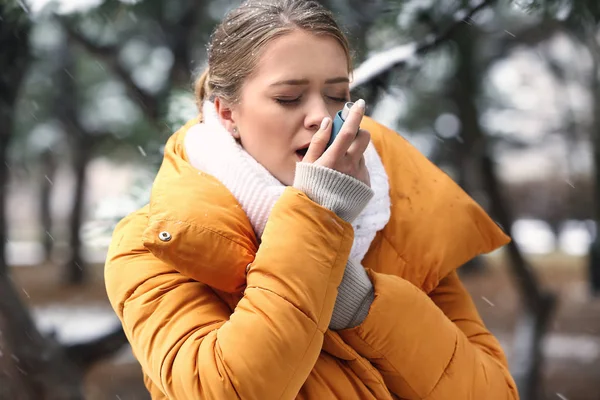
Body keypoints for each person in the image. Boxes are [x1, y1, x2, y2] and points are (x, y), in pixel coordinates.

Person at [104, 0, 519, 399]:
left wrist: (363, 302)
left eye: (337, 95)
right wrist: (317, 219)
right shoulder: (154, 244)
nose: (321, 115)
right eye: (288, 98)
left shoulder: (395, 217)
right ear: (227, 114)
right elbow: (226, 391)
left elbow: (493, 393)